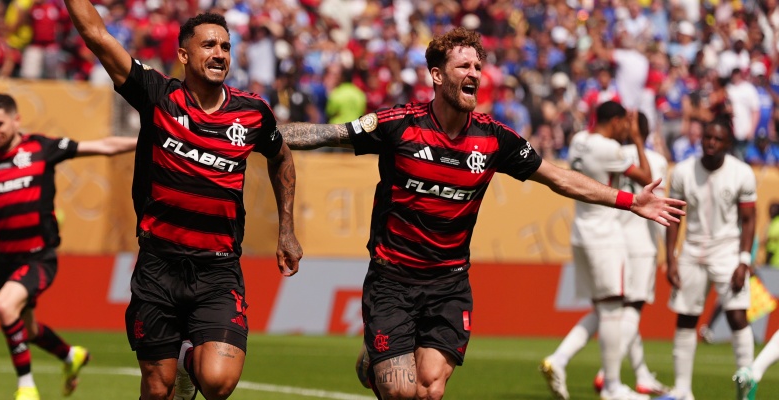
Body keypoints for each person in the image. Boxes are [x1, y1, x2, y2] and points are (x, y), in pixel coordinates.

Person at [278, 28, 684, 400]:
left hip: (449, 283)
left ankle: (381, 355)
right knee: (402, 392)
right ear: (437, 75)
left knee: (430, 390)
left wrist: (631, 201)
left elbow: (558, 178)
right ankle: (377, 355)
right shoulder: (399, 125)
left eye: (477, 66)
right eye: (463, 66)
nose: (474, 73)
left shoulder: (493, 137)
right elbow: (327, 134)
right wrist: (264, 133)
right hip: (393, 279)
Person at [62, 5, 301, 400]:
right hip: (159, 265)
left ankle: (190, 361)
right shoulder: (158, 94)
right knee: (158, 389)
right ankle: (181, 366)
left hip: (218, 269)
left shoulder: (253, 113)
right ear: (184, 55)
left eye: (225, 46)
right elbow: (97, 37)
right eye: (209, 45)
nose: (219, 54)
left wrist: (286, 230)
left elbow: (282, 159)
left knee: (218, 382)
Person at [0, 93, 137, 400]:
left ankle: (26, 387)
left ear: (16, 120)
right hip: (6, 261)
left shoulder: (40, 148)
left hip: (38, 257)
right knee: (28, 329)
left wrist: (147, 141)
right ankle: (70, 356)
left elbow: (102, 146)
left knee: (3, 306)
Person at [542, 111, 670, 400]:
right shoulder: (629, 153)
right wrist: (671, 252)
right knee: (623, 310)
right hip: (620, 239)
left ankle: (566, 360)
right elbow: (648, 180)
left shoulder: (580, 140)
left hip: (583, 231)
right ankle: (611, 381)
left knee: (605, 310)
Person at [656, 116, 757, 400]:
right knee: (686, 317)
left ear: (728, 143)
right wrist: (671, 258)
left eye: (718, 139)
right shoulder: (683, 171)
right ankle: (682, 391)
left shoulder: (742, 173)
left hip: (727, 251)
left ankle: (747, 388)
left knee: (737, 315)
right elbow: (674, 217)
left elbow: (749, 219)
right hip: (692, 251)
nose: (711, 143)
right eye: (707, 137)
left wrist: (744, 260)